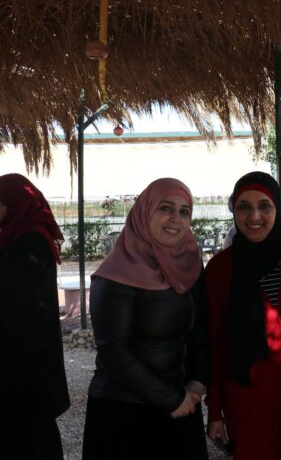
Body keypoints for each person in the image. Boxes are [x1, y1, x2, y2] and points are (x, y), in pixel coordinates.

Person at [81, 178, 209, 460]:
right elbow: (114, 352)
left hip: (181, 403)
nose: (176, 218)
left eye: (184, 211)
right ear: (145, 211)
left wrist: (198, 381)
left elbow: (200, 327)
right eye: (166, 208)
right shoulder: (115, 274)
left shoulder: (189, 263)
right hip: (124, 411)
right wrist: (172, 399)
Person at [205, 172, 281, 459]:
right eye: (244, 206)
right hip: (246, 398)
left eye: (264, 206)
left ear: (277, 208)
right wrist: (214, 411)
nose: (254, 216)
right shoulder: (220, 269)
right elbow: (214, 343)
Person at [0, 173, 70, 460]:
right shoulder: (17, 234)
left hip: (25, 360)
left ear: (14, 202)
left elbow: (11, 298)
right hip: (20, 355)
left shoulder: (30, 240)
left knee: (29, 433)